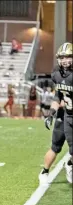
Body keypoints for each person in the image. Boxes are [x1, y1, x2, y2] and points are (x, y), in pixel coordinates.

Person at [44, 42, 73, 184]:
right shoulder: (56, 73)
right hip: (66, 115)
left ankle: (69, 164)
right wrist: (51, 112)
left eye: (68, 57)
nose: (65, 60)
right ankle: (44, 171)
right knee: (55, 146)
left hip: (69, 114)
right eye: (62, 57)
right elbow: (58, 96)